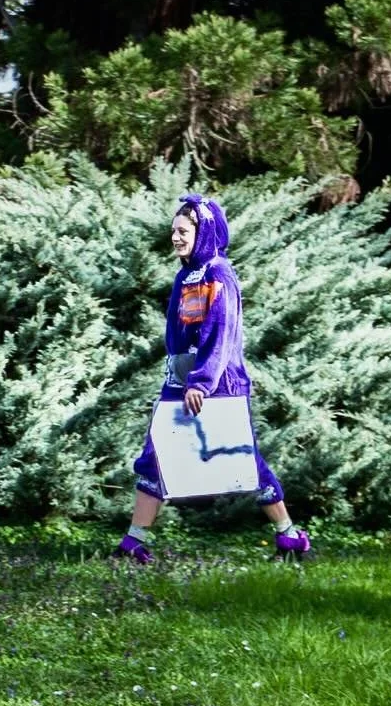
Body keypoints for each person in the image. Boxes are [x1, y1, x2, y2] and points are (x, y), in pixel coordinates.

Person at [116, 195, 312, 564]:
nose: (175, 238)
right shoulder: (184, 274)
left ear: (204, 231)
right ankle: (133, 543)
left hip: (215, 388)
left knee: (243, 461)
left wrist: (201, 383)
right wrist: (179, 376)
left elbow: (220, 332)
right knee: (155, 455)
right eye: (172, 231)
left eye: (183, 231)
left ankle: (290, 537)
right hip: (180, 384)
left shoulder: (218, 274)